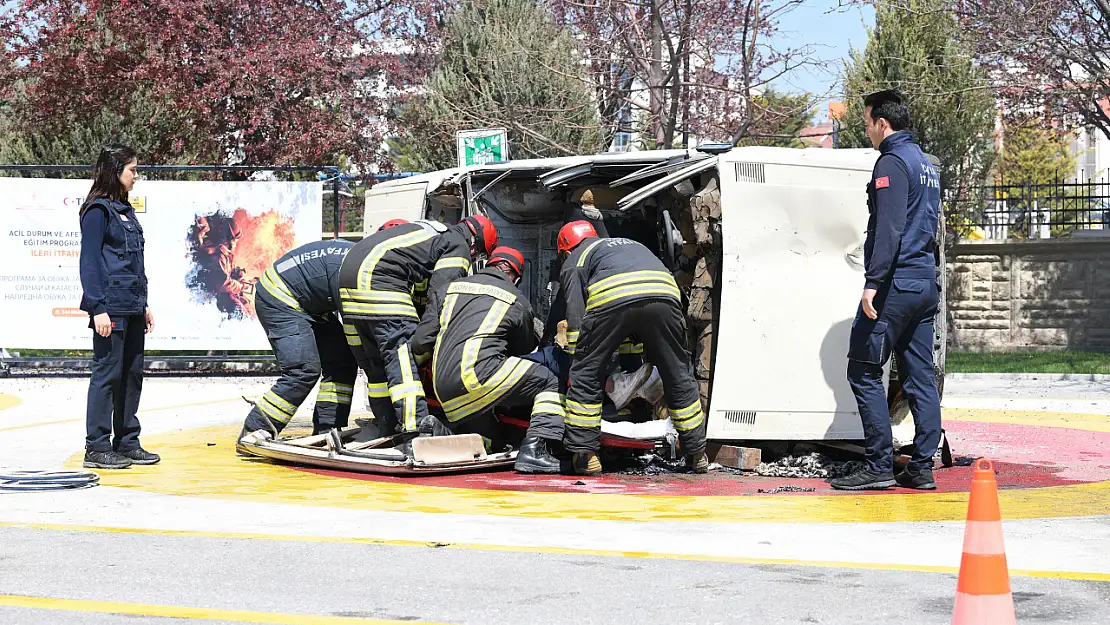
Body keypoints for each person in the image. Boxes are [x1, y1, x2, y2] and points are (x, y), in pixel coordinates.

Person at [831, 89, 943, 491]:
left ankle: (879, 464)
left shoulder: (892, 162)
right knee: (918, 377)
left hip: (895, 284)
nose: (866, 131)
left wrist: (873, 282)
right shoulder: (926, 164)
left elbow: (890, 229)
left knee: (861, 369)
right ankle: (922, 467)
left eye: (866, 123)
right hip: (924, 284)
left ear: (882, 122)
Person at [556, 221, 707, 475]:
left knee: (586, 373)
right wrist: (629, 367)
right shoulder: (625, 245)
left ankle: (585, 456)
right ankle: (696, 453)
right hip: (665, 294)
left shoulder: (575, 260)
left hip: (613, 295)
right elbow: (632, 324)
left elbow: (577, 321)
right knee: (678, 372)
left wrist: (577, 360)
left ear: (566, 251)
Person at [338, 215, 498, 449]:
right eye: (478, 255)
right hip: (381, 285)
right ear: (475, 243)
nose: (473, 259)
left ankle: (386, 424)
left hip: (351, 287)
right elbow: (442, 294)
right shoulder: (458, 244)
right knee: (402, 360)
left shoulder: (430, 232)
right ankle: (416, 429)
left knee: (378, 367)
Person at [411, 247, 564, 473]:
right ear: (517, 278)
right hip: (479, 379)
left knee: (494, 441)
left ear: (487, 265)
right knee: (548, 380)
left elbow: (420, 342)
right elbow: (521, 352)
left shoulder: (448, 289)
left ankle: (441, 433)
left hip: (444, 389)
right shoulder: (517, 300)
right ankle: (535, 449)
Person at [237, 239, 367, 448]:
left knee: (342, 362)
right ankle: (255, 430)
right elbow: (357, 327)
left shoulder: (362, 258)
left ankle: (328, 429)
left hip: (313, 304)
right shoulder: (355, 266)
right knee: (303, 370)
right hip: (280, 297)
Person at [78, 144, 159, 469]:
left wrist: (145, 303)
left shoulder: (124, 209)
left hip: (133, 305)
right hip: (109, 307)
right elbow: (90, 262)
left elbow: (133, 262)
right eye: (132, 170)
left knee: (131, 375)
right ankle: (96, 447)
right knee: (107, 376)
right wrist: (97, 307)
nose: (136, 176)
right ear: (116, 172)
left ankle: (126, 441)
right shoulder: (97, 211)